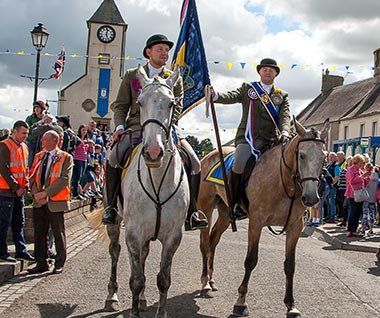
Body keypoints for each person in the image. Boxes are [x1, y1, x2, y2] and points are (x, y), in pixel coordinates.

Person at [103, 34, 207, 230]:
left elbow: (178, 107)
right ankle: (111, 208)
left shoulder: (174, 78)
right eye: (160, 49)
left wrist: (166, 126)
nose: (164, 53)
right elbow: (120, 105)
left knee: (194, 162)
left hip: (166, 128)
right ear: (148, 52)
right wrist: (119, 127)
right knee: (113, 157)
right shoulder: (133, 75)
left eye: (167, 50)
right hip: (136, 127)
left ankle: (192, 212)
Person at [210, 58, 292, 221]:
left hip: (271, 141)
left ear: (276, 73)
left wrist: (285, 131)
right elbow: (231, 96)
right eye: (264, 69)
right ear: (259, 72)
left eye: (271, 70)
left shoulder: (281, 95)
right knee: (240, 162)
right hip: (248, 139)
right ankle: (235, 203)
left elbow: (285, 116)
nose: (268, 71)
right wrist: (216, 96)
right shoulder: (249, 89)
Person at [27, 130, 73, 275]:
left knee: (58, 233)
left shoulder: (65, 157)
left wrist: (46, 193)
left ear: (54, 141)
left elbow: (64, 179)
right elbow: (32, 176)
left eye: (45, 139)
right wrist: (36, 194)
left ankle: (59, 263)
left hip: (55, 201)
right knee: (39, 233)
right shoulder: (39, 156)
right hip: (39, 201)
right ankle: (41, 262)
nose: (42, 142)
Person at [0, 121, 34, 262]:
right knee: (4, 222)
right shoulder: (4, 145)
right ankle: (1, 251)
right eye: (23, 133)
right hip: (5, 189)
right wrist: (17, 187)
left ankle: (21, 250)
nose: (25, 136)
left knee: (19, 221)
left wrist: (25, 184)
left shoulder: (24, 147)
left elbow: (24, 169)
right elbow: (4, 169)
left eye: (26, 133)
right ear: (14, 131)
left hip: (18, 190)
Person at [345, 154, 368, 238]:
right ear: (357, 162)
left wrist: (367, 178)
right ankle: (350, 230)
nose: (364, 164)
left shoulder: (360, 170)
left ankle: (354, 230)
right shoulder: (350, 170)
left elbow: (363, 182)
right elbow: (352, 181)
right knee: (353, 211)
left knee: (358, 212)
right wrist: (362, 176)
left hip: (359, 194)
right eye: (363, 162)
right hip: (352, 194)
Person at [72, 125, 92, 198]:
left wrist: (90, 146)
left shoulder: (87, 139)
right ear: (80, 130)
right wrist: (82, 142)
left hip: (84, 159)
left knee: (81, 177)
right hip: (77, 158)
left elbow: (88, 151)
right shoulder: (77, 138)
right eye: (83, 130)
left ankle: (79, 192)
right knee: (77, 176)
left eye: (85, 130)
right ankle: (75, 193)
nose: (84, 132)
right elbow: (75, 147)